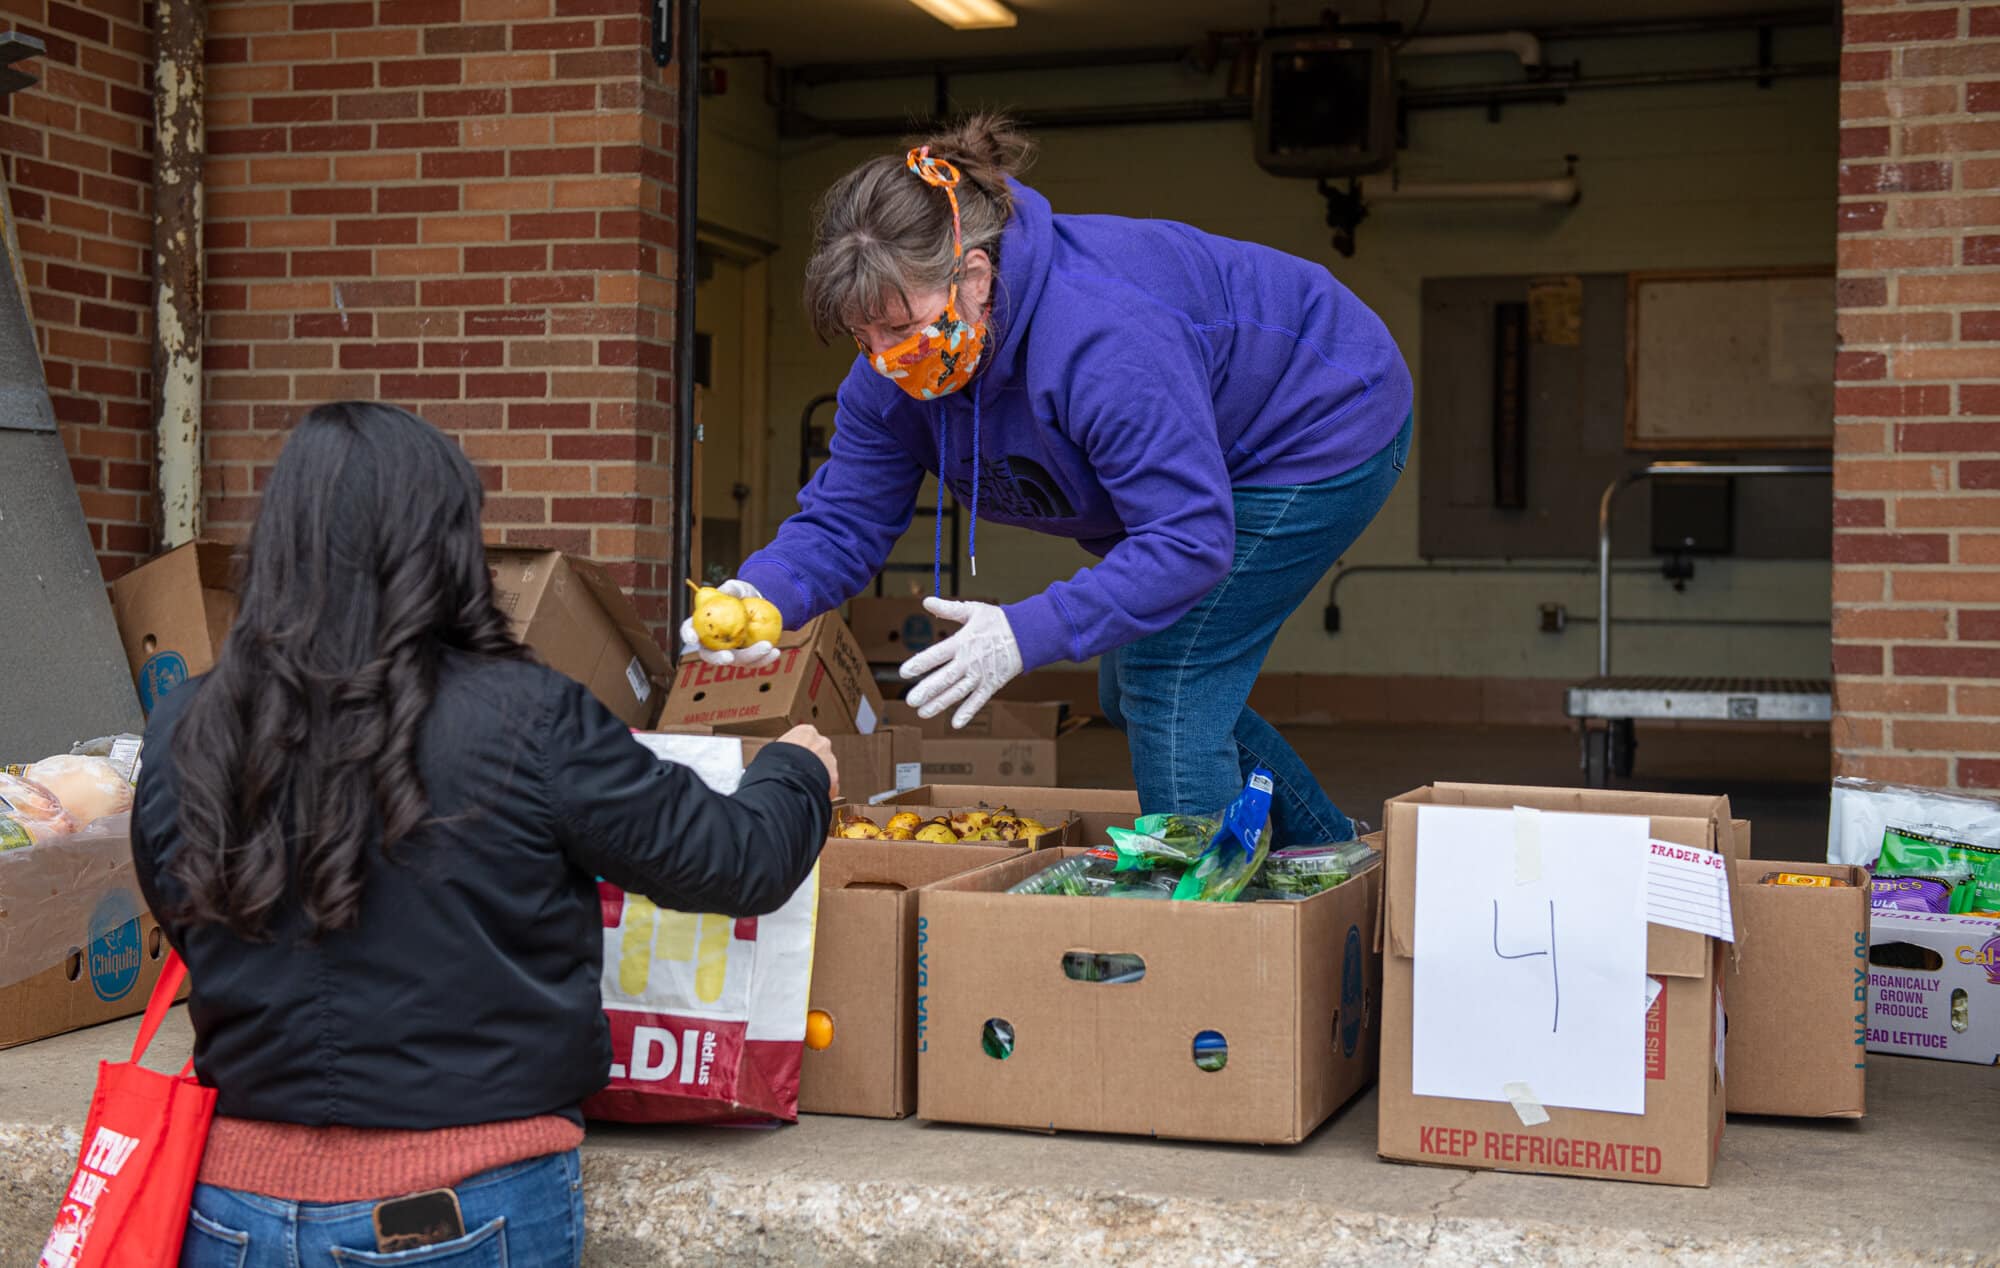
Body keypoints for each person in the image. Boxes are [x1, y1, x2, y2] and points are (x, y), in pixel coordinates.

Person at [132, 401, 837, 1267]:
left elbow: (182, 911)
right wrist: (796, 772)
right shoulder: (529, 717)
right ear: (447, 546)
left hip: (232, 1205)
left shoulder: (186, 723)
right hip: (463, 1202)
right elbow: (734, 862)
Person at [685, 115, 1411, 846]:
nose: (883, 358)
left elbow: (1188, 541)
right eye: (861, 335)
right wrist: (763, 593)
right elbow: (843, 521)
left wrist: (1023, 632)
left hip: (1318, 419)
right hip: (1209, 440)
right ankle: (1328, 852)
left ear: (974, 277)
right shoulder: (889, 378)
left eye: (901, 328)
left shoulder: (1102, 343)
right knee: (1129, 691)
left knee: (1166, 680)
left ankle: (1211, 909)